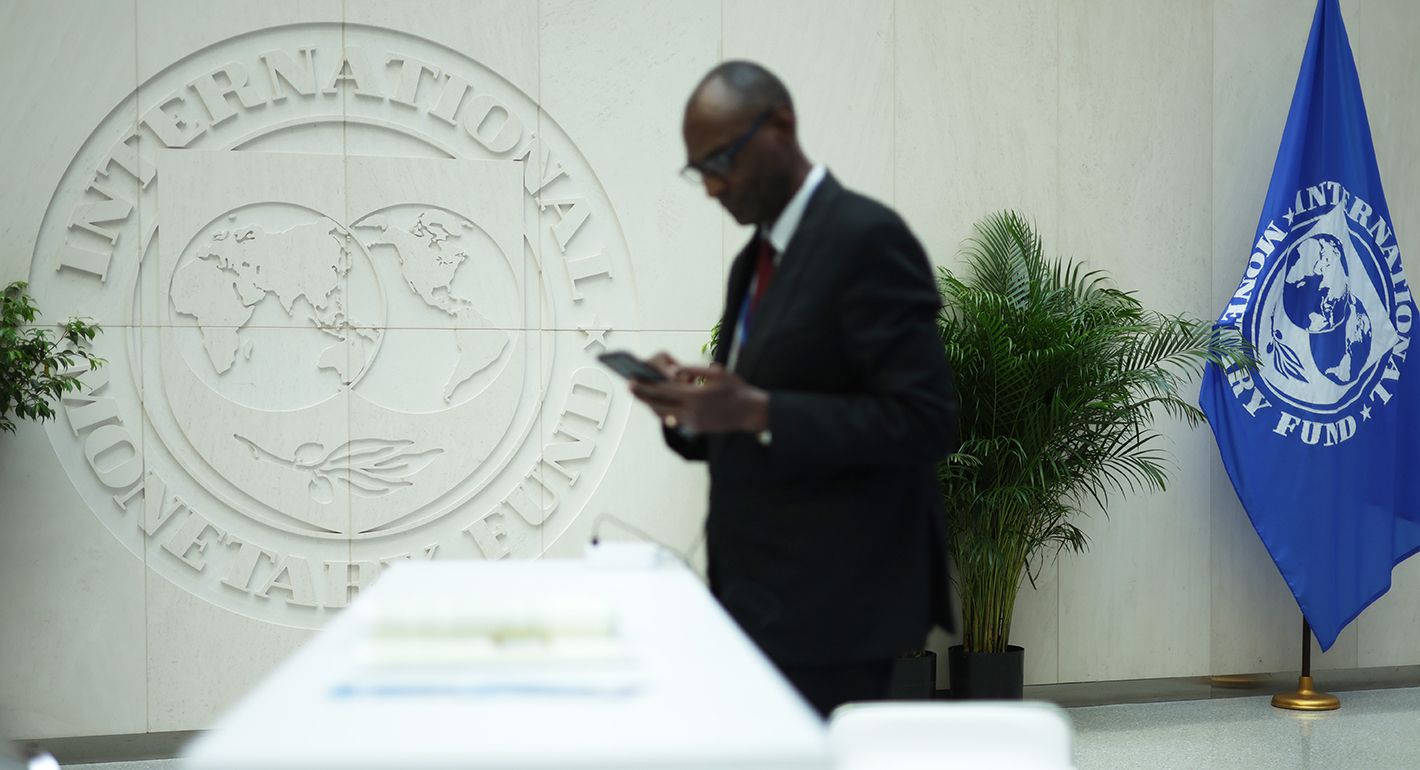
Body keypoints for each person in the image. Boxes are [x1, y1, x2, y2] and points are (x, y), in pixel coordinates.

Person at [629, 61, 959, 718]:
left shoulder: (866, 238)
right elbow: (752, 417)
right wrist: (693, 411)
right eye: (699, 169)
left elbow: (927, 420)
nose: (712, 186)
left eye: (721, 159)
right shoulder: (752, 261)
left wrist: (756, 409)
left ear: (782, 126)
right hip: (754, 596)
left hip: (837, 608)